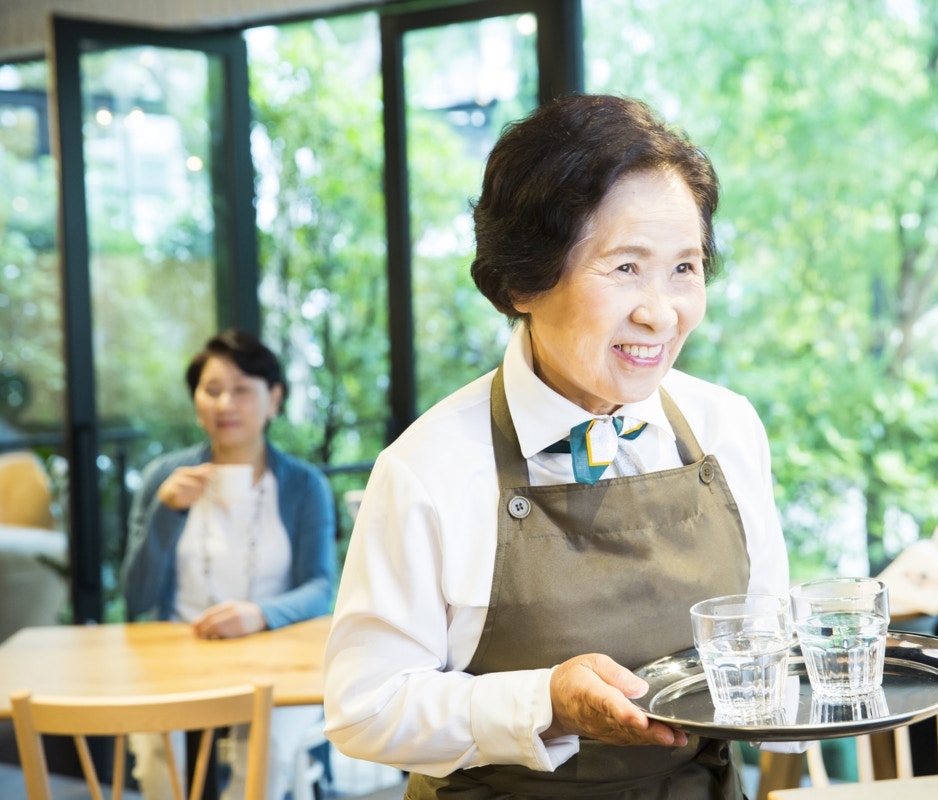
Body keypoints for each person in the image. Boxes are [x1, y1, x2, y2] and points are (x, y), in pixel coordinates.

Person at [322, 94, 793, 798]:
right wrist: (544, 702)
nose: (660, 313)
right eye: (625, 267)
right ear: (522, 281)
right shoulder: (429, 468)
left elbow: (765, 636)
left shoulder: (727, 428)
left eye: (684, 268)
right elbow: (365, 708)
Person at [122, 329, 336, 800]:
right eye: (212, 390)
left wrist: (258, 614)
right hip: (176, 657)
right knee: (157, 750)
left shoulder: (303, 485)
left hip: (274, 654)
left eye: (241, 389)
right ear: (197, 402)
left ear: (273, 398)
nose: (226, 404)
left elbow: (322, 586)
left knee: (268, 746)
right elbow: (136, 596)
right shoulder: (165, 477)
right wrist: (166, 512)